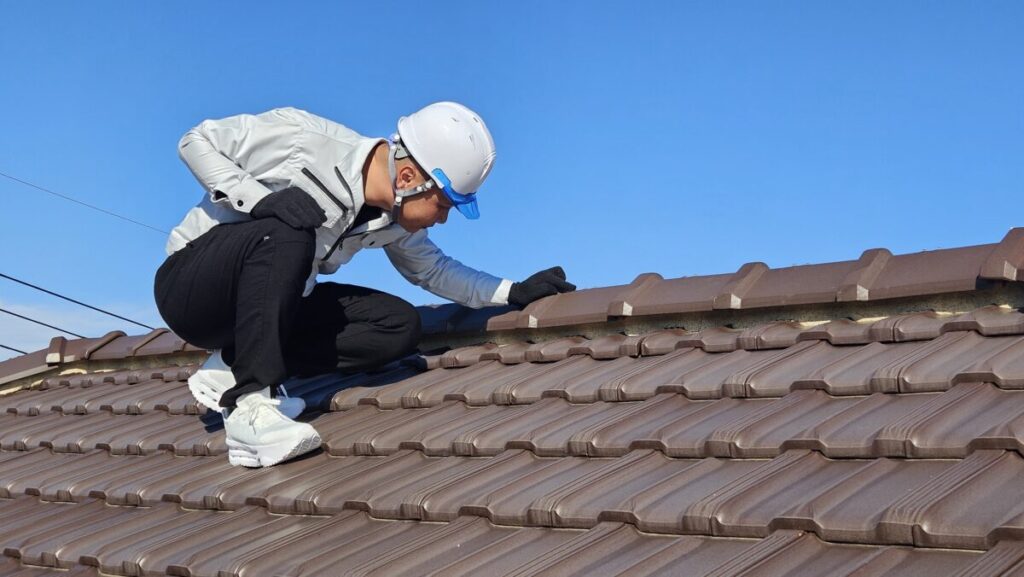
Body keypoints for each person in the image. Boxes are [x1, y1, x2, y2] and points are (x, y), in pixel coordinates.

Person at [153, 102, 576, 468]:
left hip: (257, 310)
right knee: (291, 228)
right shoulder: (305, 138)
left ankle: (231, 363)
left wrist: (510, 291)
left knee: (397, 325)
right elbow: (196, 140)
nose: (442, 218)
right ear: (411, 176)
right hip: (192, 289)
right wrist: (258, 198)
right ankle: (249, 408)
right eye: (443, 205)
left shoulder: (393, 220)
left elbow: (432, 271)